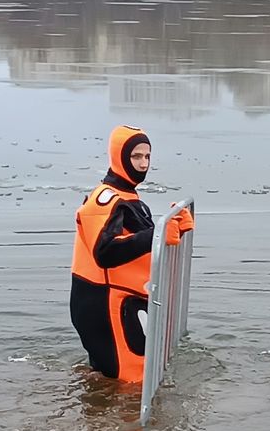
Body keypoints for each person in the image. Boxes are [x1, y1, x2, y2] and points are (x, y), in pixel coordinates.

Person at [70, 125, 194, 382]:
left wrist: (176, 229)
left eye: (147, 157)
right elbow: (104, 252)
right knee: (132, 382)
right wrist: (156, 234)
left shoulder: (130, 199)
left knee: (119, 376)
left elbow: (140, 243)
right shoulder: (104, 200)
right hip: (107, 302)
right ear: (119, 157)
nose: (143, 163)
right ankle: (117, 419)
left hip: (125, 301)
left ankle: (96, 401)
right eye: (136, 156)